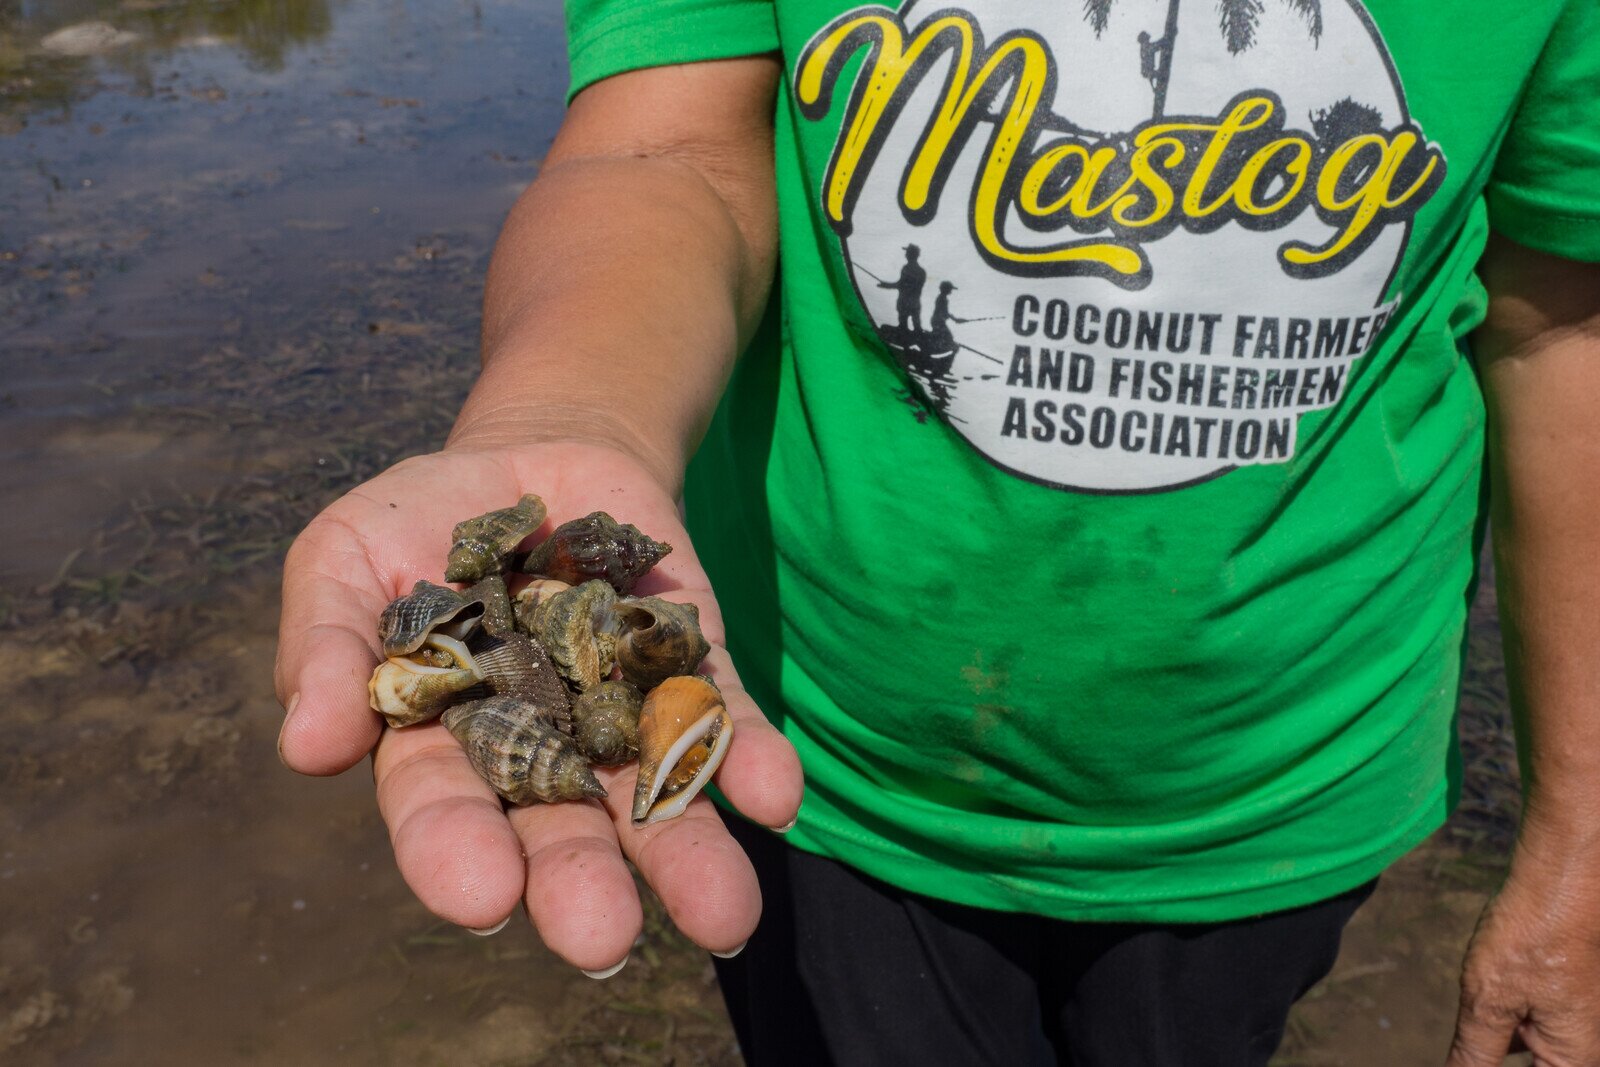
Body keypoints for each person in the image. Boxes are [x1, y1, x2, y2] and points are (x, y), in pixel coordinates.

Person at [274, 1, 1600, 1063]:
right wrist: (570, 412)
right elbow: (667, 142)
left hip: (1285, 784)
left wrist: (1580, 829)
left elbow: (1563, 310)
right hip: (830, 760)